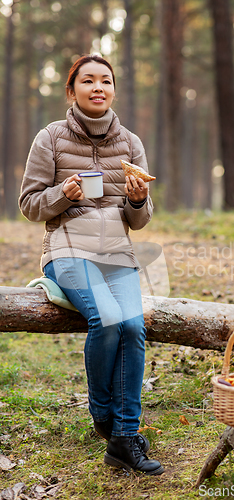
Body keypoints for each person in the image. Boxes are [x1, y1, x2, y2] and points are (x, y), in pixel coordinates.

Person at [19, 54, 164, 476]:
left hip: (117, 255)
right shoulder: (50, 138)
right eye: (88, 80)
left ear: (114, 89)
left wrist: (137, 199)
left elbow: (139, 220)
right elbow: (28, 205)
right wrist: (63, 194)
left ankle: (123, 438)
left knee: (134, 326)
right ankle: (104, 415)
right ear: (72, 90)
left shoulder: (131, 143)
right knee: (107, 318)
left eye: (105, 80)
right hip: (66, 252)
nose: (97, 87)